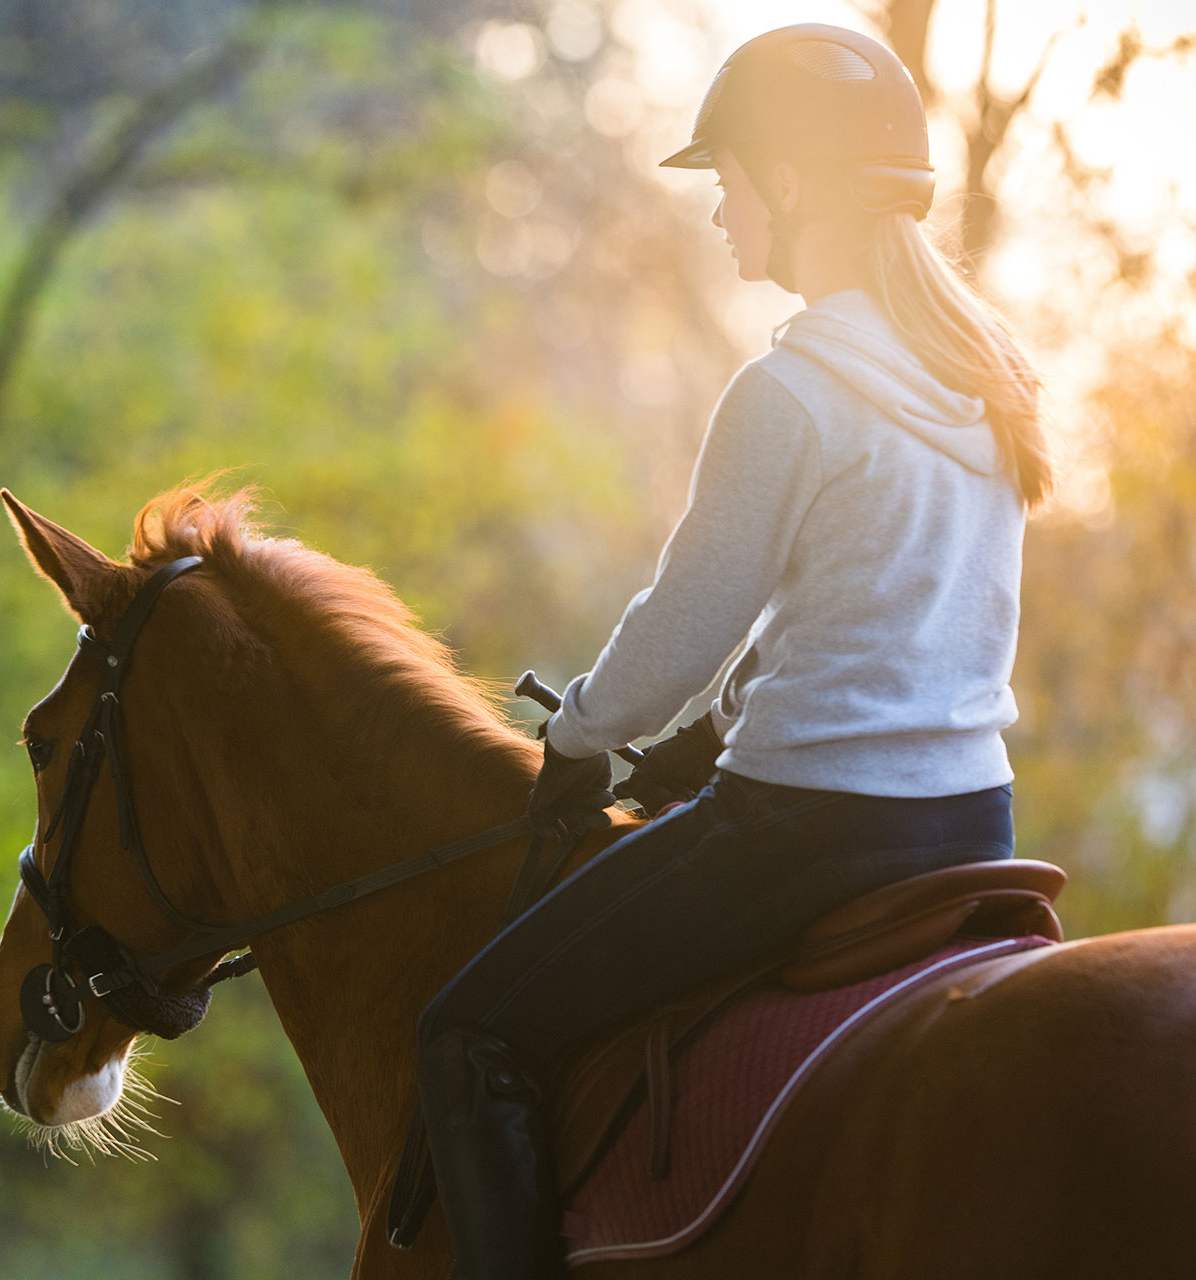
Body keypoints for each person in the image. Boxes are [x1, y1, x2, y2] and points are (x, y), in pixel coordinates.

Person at [408, 23, 1052, 1280]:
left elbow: (682, 632)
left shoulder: (791, 391)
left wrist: (581, 732)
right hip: (977, 822)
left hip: (807, 834)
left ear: (793, 184)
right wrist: (706, 740)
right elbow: (874, 622)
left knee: (466, 1031)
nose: (717, 212)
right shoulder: (983, 383)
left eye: (727, 179)